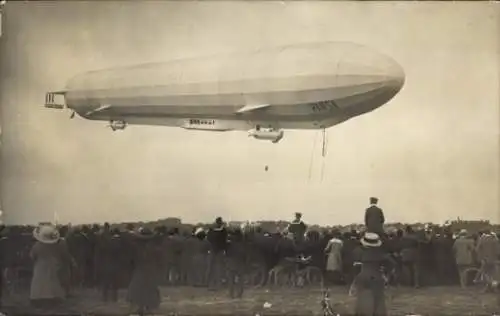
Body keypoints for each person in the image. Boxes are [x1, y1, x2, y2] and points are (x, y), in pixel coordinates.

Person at [29, 224, 72, 308]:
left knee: (39, 281)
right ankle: (53, 297)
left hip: (40, 265)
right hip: (54, 264)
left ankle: (39, 297)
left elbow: (32, 255)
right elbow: (62, 254)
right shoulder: (56, 245)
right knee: (53, 280)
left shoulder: (37, 245)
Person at [354, 232, 395, 316]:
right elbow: (392, 264)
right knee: (378, 299)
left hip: (362, 275)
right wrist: (386, 275)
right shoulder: (380, 253)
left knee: (362, 299)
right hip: (376, 276)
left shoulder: (358, 251)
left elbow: (352, 262)